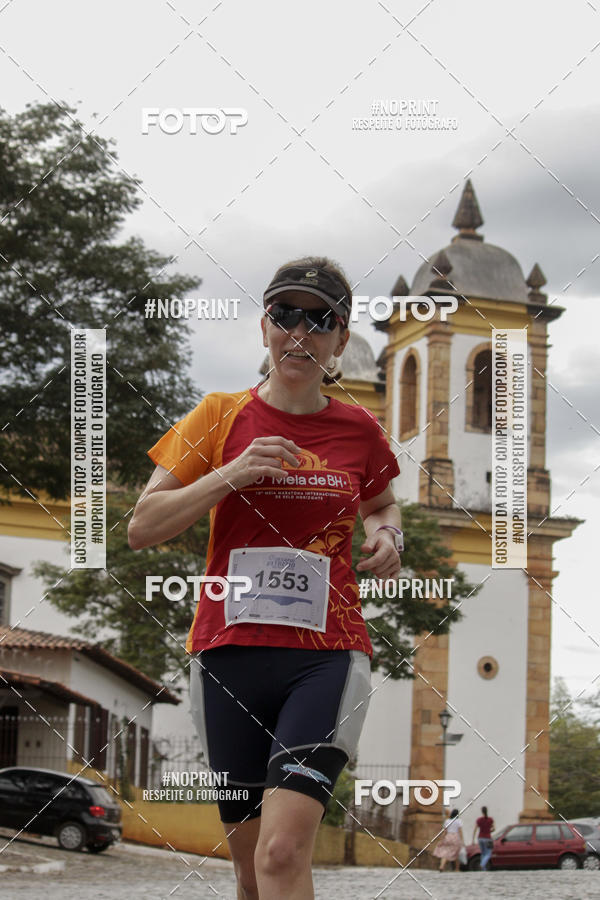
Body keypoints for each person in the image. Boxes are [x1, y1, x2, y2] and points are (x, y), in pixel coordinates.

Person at [128, 256, 403, 900]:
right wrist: (234, 472)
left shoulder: (358, 429)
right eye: (285, 315)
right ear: (264, 327)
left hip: (327, 657)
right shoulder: (219, 417)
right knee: (252, 871)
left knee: (283, 853)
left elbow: (383, 501)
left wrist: (387, 532)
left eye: (319, 319)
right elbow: (142, 526)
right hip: (227, 657)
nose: (299, 332)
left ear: (340, 339)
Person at [433, 808, 464, 872]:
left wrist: (441, 840)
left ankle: (441, 866)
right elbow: (460, 831)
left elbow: (445, 832)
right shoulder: (459, 821)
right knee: (456, 853)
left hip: (448, 837)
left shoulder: (447, 821)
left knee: (445, 853)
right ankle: (457, 869)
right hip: (456, 837)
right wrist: (462, 840)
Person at [473, 805, 495, 871]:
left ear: (481, 811)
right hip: (488, 838)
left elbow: (475, 829)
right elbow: (494, 828)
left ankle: (483, 869)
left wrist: (473, 839)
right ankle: (482, 865)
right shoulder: (490, 819)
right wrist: (489, 831)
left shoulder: (479, 820)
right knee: (488, 854)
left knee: (483, 853)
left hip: (480, 838)